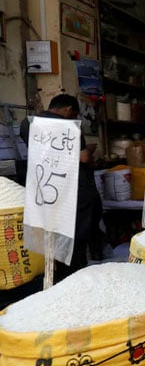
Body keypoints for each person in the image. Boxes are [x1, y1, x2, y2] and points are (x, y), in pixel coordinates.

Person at [20, 94, 104, 282]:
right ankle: (73, 281)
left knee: (51, 238)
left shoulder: (27, 123)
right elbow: (83, 158)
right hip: (72, 193)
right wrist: (89, 153)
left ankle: (54, 279)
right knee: (76, 242)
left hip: (44, 189)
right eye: (74, 113)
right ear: (68, 109)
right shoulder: (69, 127)